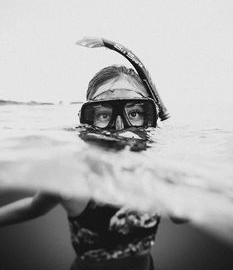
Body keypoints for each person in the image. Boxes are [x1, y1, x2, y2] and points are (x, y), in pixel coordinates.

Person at [0, 40, 187, 270]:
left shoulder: (157, 172)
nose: (120, 128)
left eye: (135, 113)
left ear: (150, 117)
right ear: (87, 120)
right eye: (103, 116)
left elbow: (180, 217)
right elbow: (32, 207)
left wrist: (176, 180)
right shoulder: (72, 176)